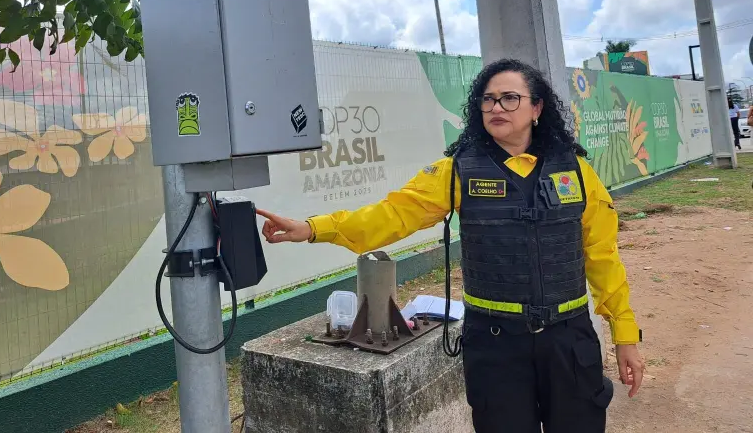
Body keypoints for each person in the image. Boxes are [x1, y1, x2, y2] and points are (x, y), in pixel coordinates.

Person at [256, 58, 644, 433]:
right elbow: (391, 216)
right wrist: (312, 228)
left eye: (510, 98)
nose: (497, 107)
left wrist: (625, 335)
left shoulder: (576, 171)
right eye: (488, 99)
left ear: (537, 108)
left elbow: (603, 256)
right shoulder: (457, 171)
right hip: (495, 346)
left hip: (568, 339)